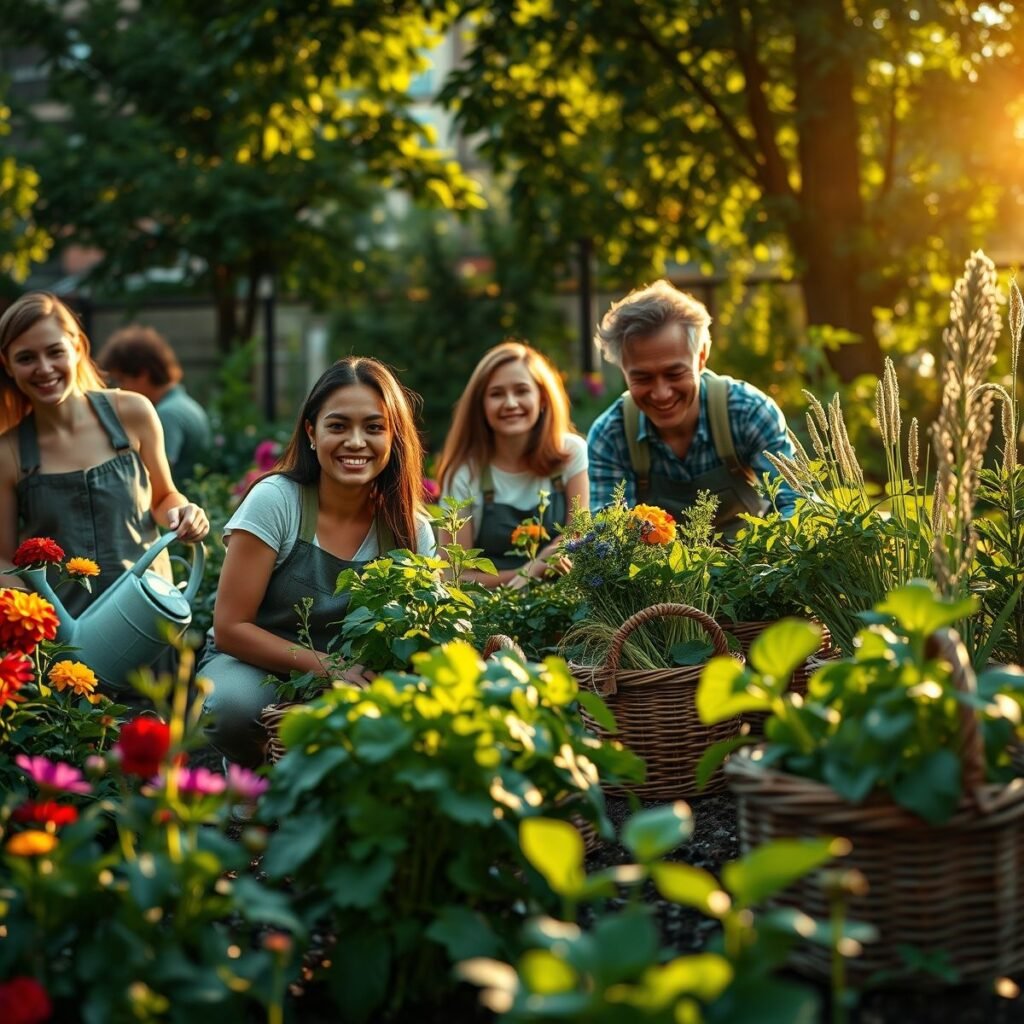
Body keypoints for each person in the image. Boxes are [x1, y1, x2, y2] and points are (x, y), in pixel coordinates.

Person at [199, 357, 436, 766]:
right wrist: (331, 667)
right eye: (338, 426)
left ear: (394, 437)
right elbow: (230, 628)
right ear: (312, 432)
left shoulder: (411, 530)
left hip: (362, 673)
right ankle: (250, 775)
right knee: (229, 706)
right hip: (260, 664)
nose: (356, 442)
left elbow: (422, 638)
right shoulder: (276, 501)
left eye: (374, 427)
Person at [0, 292, 209, 618]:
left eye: (55, 352)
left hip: (148, 620)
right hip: (67, 639)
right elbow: (3, 559)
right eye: (26, 358)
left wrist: (183, 513)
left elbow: (163, 497)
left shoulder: (132, 412)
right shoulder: (8, 453)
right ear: (7, 365)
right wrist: (30, 617)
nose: (44, 368)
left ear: (78, 348)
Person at [587, 280, 799, 538]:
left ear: (701, 357)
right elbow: (611, 538)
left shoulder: (747, 412)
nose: (661, 393)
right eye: (642, 378)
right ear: (623, 370)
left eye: (674, 373)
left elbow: (796, 504)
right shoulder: (611, 436)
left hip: (753, 569)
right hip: (656, 576)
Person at [437, 341, 588, 588]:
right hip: (490, 611)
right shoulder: (464, 474)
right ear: (481, 406)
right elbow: (454, 575)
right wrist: (529, 573)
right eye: (496, 394)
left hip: (564, 603)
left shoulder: (571, 453)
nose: (510, 403)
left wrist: (534, 567)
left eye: (521, 391)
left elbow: (577, 534)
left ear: (542, 399)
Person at [98, 324, 212, 483]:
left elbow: (154, 480)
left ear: (143, 374)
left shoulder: (167, 415)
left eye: (122, 380)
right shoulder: (185, 404)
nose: (119, 389)